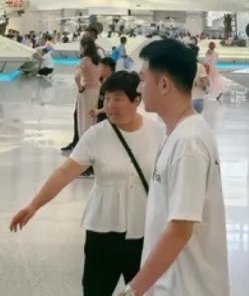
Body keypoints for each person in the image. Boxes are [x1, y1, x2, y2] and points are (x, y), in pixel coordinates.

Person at [10, 72, 164, 296]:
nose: (109, 106)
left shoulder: (157, 133)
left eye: (117, 99)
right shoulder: (95, 135)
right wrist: (34, 205)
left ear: (136, 100)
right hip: (103, 232)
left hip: (144, 232)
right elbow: (65, 173)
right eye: (106, 99)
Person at [121, 39, 229, 296]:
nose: (139, 87)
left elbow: (180, 228)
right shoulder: (177, 133)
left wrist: (133, 290)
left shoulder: (188, 143)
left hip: (186, 288)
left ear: (164, 84)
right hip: (170, 284)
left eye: (143, 79)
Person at [76, 40, 101, 140]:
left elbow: (77, 77)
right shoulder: (98, 60)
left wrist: (80, 88)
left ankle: (85, 142)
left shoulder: (85, 60)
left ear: (84, 47)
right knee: (94, 118)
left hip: (87, 92)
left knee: (84, 119)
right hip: (97, 91)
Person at [91, 56, 117, 124]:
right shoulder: (101, 81)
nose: (98, 69)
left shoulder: (112, 84)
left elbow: (112, 104)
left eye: (100, 67)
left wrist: (98, 111)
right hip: (100, 116)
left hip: (107, 118)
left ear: (107, 68)